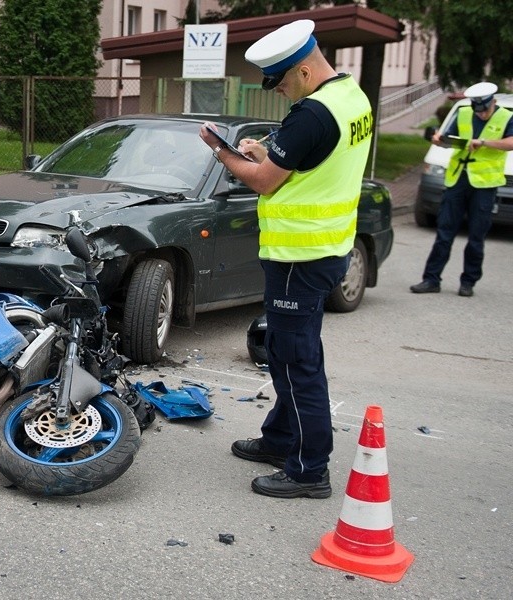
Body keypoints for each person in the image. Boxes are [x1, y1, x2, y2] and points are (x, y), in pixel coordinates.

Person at [199, 19, 373, 499]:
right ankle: (280, 438)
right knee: (282, 349)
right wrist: (264, 151)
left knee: (298, 362)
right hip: (325, 249)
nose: (277, 92)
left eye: (278, 83)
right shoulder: (350, 98)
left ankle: (308, 469)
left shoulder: (312, 113)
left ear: (301, 70)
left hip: (302, 255)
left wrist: (221, 151)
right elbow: (308, 160)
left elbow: (264, 181)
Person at [410, 82, 513, 297]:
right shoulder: (465, 113)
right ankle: (431, 279)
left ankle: (468, 282)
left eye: (485, 110)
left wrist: (484, 142)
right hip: (457, 179)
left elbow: (510, 142)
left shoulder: (506, 116)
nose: (482, 114)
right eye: (479, 110)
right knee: (444, 232)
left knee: (476, 235)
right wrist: (439, 140)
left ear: (492, 102)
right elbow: (448, 137)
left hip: (485, 185)